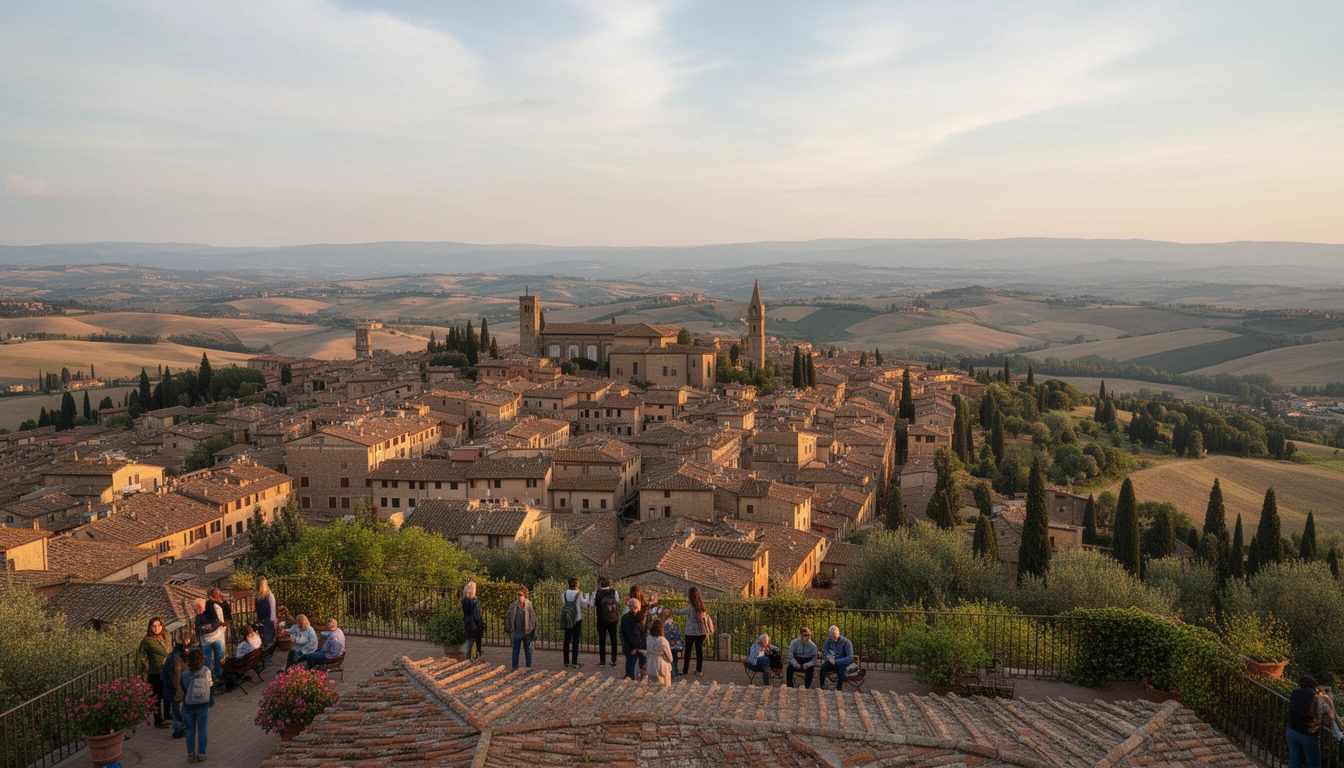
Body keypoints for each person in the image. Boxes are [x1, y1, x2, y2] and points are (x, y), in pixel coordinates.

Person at [1287, 675, 1332, 768]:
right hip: (1308, 734)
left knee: (1295, 760)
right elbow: (1319, 713)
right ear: (1314, 686)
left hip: (1291, 731)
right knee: (1313, 764)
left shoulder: (1294, 693)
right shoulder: (1316, 697)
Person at [179, 648, 214, 763]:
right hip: (203, 704)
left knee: (190, 730)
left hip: (189, 705)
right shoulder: (206, 671)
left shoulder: (185, 675)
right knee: (202, 729)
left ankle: (191, 754)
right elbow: (210, 686)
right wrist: (210, 701)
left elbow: (184, 689)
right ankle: (201, 753)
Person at [138, 617, 173, 729]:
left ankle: (167, 714)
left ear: (162, 626)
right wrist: (144, 675)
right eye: (154, 626)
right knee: (156, 697)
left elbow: (169, 650)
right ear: (150, 627)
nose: (156, 628)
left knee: (167, 693)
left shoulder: (166, 636)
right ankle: (158, 720)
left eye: (158, 625)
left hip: (166, 669)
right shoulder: (148, 641)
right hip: (155, 671)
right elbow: (164, 652)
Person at [670, 586, 712, 677]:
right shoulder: (702, 606)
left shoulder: (691, 607)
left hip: (690, 632)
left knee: (688, 651)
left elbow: (681, 612)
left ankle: (685, 670)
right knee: (699, 651)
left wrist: (671, 611)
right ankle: (699, 670)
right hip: (701, 632)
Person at [160, 637, 192, 739]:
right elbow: (175, 676)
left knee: (176, 709)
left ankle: (180, 728)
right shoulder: (177, 659)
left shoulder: (175, 656)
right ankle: (181, 727)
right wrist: (177, 690)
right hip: (175, 687)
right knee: (176, 709)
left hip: (174, 686)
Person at [560, 577, 590, 669]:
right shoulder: (578, 594)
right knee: (575, 641)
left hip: (567, 619)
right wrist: (587, 597)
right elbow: (583, 605)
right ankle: (574, 662)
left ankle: (566, 661)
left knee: (566, 640)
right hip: (577, 619)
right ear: (576, 584)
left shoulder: (564, 594)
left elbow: (564, 603)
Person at [194, 598, 226, 680]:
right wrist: (203, 628)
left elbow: (218, 621)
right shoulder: (199, 616)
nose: (198, 609)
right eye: (197, 607)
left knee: (219, 658)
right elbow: (197, 628)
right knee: (207, 660)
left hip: (217, 636)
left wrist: (211, 626)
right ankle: (210, 678)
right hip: (206, 640)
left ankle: (219, 676)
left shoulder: (212, 608)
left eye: (199, 606)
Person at [506, 587, 537, 670]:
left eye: (521, 595)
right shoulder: (513, 605)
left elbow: (533, 620)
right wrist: (509, 629)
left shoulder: (529, 605)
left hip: (527, 632)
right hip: (517, 632)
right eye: (518, 594)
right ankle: (514, 668)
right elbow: (509, 618)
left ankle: (528, 667)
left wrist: (533, 631)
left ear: (525, 595)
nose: (519, 597)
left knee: (528, 651)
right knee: (515, 652)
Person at [593, 577, 621, 668]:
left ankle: (602, 661)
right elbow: (618, 602)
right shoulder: (614, 592)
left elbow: (593, 604)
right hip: (613, 619)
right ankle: (614, 660)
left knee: (602, 641)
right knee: (613, 640)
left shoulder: (597, 593)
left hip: (601, 619)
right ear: (609, 584)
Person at [820, 626, 855, 691]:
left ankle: (838, 689)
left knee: (841, 672)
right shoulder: (828, 640)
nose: (833, 639)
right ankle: (822, 686)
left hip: (842, 662)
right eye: (831, 636)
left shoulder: (846, 642)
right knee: (823, 667)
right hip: (832, 660)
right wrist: (829, 657)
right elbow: (825, 650)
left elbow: (850, 657)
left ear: (838, 633)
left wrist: (836, 661)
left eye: (835, 636)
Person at [620, 598, 647, 680]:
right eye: (632, 606)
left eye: (635, 606)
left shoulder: (640, 616)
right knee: (631, 663)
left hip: (638, 645)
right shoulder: (627, 618)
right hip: (631, 646)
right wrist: (634, 647)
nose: (634, 608)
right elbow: (628, 634)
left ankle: (634, 678)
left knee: (639, 664)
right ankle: (630, 679)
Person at [645, 618, 674, 686]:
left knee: (652, 687)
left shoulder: (649, 639)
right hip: (661, 668)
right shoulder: (663, 640)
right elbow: (670, 658)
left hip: (651, 667)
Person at [255, 577, 277, 664]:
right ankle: (268, 659)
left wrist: (259, 619)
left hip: (263, 618)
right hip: (268, 618)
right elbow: (272, 608)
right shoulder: (268, 595)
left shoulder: (257, 595)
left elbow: (257, 609)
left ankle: (264, 658)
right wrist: (273, 620)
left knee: (265, 638)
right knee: (268, 638)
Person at [461, 582, 483, 660]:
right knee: (476, 641)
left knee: (469, 640)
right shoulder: (474, 600)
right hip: (474, 623)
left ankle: (468, 657)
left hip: (467, 622)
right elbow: (476, 614)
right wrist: (479, 623)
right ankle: (478, 656)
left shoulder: (464, 600)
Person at [662, 615, 682, 681]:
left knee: (668, 660)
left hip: (667, 645)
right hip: (674, 646)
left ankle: (671, 674)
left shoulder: (664, 626)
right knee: (674, 660)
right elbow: (678, 637)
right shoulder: (675, 626)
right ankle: (675, 674)